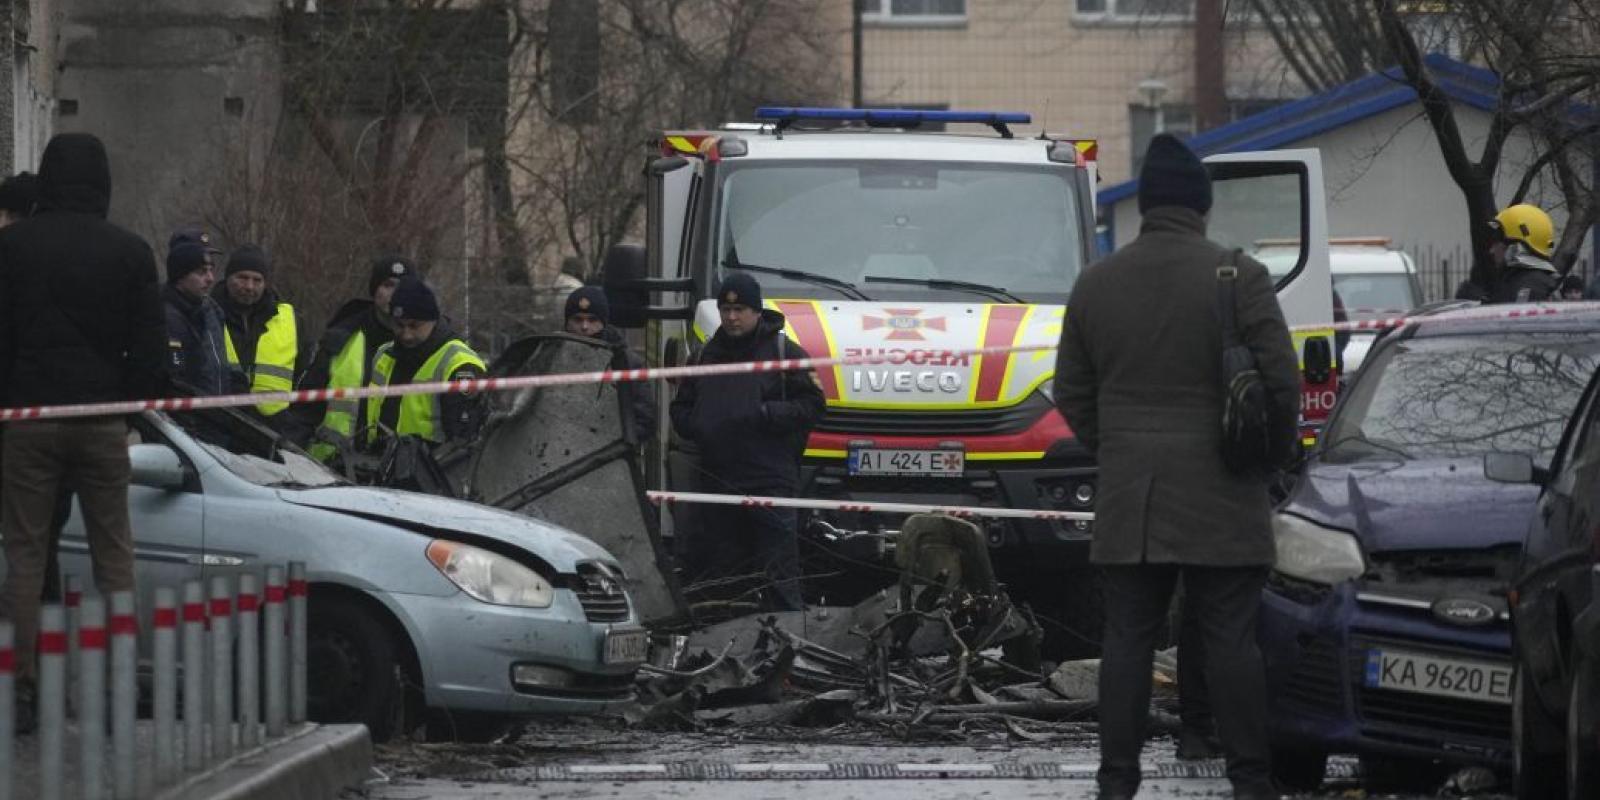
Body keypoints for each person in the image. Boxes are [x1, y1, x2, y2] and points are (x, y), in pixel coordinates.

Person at [1053, 134, 1299, 800]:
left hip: (1132, 494)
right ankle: (1251, 781)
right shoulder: (1237, 276)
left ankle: (1116, 782)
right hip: (1224, 489)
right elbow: (1281, 382)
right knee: (1230, 641)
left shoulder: (1095, 283)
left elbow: (1069, 390)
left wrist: (1120, 446)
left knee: (1128, 640)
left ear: (1146, 205)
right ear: (1200, 207)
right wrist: (1268, 462)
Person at [0, 133, 165, 733]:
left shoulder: (12, 248)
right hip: (101, 422)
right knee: (113, 554)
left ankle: (22, 688)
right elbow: (151, 355)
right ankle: (120, 682)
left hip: (27, 423)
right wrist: (125, 407)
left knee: (24, 553)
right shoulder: (129, 252)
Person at [669, 273, 824, 611]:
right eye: (726, 309)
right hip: (717, 480)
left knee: (779, 575)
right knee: (721, 578)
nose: (732, 317)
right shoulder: (703, 356)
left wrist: (766, 414)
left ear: (757, 311)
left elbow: (813, 406)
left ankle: (789, 647)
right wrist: (700, 424)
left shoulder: (786, 352)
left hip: (770, 480)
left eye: (740, 309)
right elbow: (680, 408)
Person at [297, 255, 416, 460]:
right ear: (374, 290)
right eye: (387, 285)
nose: (394, 294)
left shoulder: (429, 344)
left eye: (402, 286)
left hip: (405, 471)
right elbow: (305, 410)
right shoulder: (342, 337)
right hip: (335, 466)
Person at [364, 278, 487, 450]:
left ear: (433, 320)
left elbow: (463, 445)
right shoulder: (384, 355)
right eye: (399, 325)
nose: (406, 334)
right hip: (378, 468)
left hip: (433, 473)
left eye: (415, 326)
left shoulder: (461, 365)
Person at [213, 243, 307, 423]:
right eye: (242, 277)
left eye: (257, 280)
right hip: (219, 426)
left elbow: (303, 378)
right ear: (227, 278)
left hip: (273, 430)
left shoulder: (291, 320)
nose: (249, 286)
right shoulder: (207, 314)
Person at [563, 285, 656, 443]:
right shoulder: (552, 357)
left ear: (604, 322)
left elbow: (644, 422)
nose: (585, 327)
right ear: (567, 323)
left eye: (592, 320)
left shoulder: (626, 363)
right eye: (577, 319)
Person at [162, 237, 233, 396]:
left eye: (210, 270)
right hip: (188, 414)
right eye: (201, 272)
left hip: (215, 411)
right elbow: (177, 375)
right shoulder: (168, 319)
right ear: (180, 276)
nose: (210, 279)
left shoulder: (209, 313)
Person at [1484, 203, 1559, 303]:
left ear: (1515, 246)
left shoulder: (1528, 289)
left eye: (1496, 242)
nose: (1491, 250)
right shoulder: (1525, 282)